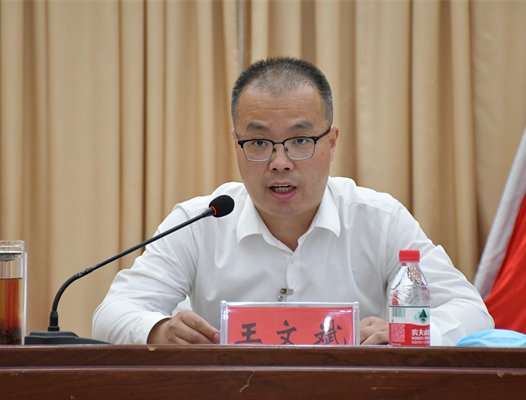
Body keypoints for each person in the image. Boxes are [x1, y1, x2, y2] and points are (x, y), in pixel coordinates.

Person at [93, 57, 493, 346]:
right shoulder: (200, 223)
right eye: (258, 142)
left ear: (331, 143)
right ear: (236, 145)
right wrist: (158, 330)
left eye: (300, 140)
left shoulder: (379, 220)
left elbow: (471, 311)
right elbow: (112, 313)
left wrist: (407, 333)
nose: (280, 162)